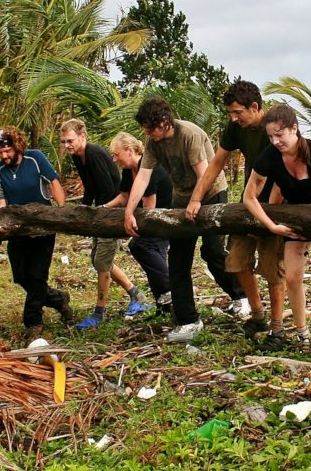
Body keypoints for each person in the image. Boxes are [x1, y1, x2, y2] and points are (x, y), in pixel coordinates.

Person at [123, 97, 246, 343]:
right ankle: (188, 320)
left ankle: (241, 296)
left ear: (165, 122)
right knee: (178, 259)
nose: (147, 132)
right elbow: (143, 177)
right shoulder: (153, 142)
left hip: (211, 193)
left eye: (151, 127)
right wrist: (129, 211)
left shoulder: (188, 134)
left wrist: (196, 201)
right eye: (145, 128)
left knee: (212, 252)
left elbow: (205, 174)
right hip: (182, 197)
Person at [243, 104, 311, 351]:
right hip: (296, 210)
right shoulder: (269, 156)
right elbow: (250, 197)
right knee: (292, 275)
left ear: (294, 129)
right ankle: (302, 332)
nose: (275, 141)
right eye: (270, 136)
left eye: (280, 134)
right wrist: (272, 226)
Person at [185, 80, 282, 336]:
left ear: (254, 106)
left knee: (272, 267)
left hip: (277, 203)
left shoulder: (274, 127)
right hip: (248, 202)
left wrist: (270, 212)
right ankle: (257, 314)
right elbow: (215, 163)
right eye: (231, 113)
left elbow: (288, 169)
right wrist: (196, 198)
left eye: (238, 112)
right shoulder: (235, 128)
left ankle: (277, 326)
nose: (234, 118)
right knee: (237, 260)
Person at [59, 119, 150, 329]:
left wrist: (105, 212)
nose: (67, 145)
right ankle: (135, 293)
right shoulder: (79, 157)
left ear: (82, 136)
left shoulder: (94, 154)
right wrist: (83, 210)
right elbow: (90, 187)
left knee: (101, 262)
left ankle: (99, 312)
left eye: (70, 140)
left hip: (111, 212)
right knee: (99, 259)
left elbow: (111, 188)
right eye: (64, 142)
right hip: (100, 213)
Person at [0, 126, 73, 336]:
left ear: (17, 146)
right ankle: (59, 299)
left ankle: (33, 322)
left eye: (7, 151)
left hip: (42, 227)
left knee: (37, 276)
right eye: (0, 152)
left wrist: (60, 213)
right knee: (21, 277)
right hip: (17, 229)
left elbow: (53, 183)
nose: (4, 156)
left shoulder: (34, 158)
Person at [105, 132, 172, 312]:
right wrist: (105, 208)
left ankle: (172, 289)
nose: (114, 159)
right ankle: (163, 306)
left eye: (117, 154)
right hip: (151, 217)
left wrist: (129, 218)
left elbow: (149, 206)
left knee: (141, 246)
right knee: (151, 255)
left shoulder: (150, 167)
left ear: (130, 150)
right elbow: (125, 195)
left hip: (165, 218)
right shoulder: (129, 169)